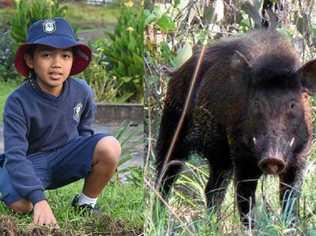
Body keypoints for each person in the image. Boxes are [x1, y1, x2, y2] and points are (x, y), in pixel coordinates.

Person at [0, 17, 121, 226]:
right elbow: (16, 155)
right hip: (31, 162)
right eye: (46, 55)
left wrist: (98, 167)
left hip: (63, 157)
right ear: (30, 60)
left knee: (110, 146)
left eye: (65, 55)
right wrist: (39, 200)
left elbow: (85, 135)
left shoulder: (82, 91)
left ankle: (85, 203)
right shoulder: (17, 102)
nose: (57, 64)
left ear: (73, 60)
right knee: (22, 205)